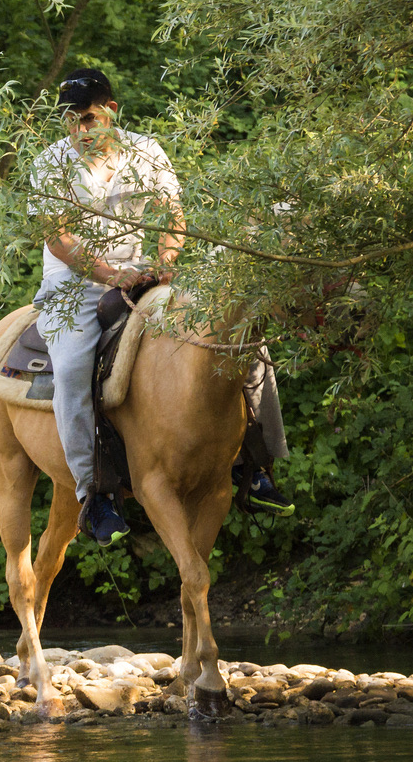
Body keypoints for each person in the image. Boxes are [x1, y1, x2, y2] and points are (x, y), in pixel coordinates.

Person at [31, 70, 292, 546]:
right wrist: (112, 275)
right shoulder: (50, 162)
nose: (79, 131)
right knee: (70, 369)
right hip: (74, 283)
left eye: (88, 118)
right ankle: (94, 493)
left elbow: (174, 216)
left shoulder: (146, 150)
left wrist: (166, 263)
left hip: (144, 271)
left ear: (111, 110)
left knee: (243, 338)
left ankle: (256, 465)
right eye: (70, 121)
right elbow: (59, 239)